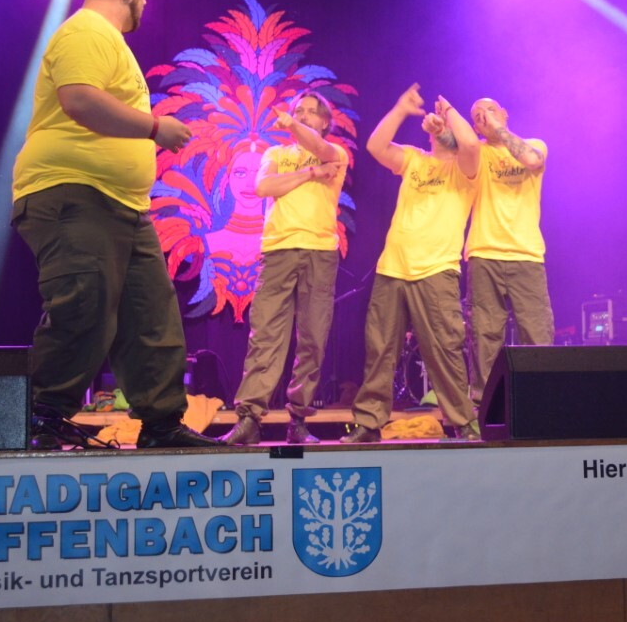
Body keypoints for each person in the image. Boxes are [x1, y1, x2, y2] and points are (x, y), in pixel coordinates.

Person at [11, 0, 219, 449]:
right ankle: (40, 418)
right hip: (76, 191)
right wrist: (154, 127)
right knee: (85, 304)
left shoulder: (108, 42)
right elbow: (79, 99)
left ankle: (162, 424)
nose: (146, 0)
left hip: (121, 205)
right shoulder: (86, 31)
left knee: (151, 316)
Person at [343, 84, 481, 443]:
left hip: (436, 270)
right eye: (439, 125)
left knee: (445, 351)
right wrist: (401, 109)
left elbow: (469, 143)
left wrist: (448, 112)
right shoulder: (414, 158)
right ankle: (369, 424)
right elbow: (375, 146)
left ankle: (463, 423)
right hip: (392, 268)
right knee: (379, 351)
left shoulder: (465, 169)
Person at [221, 92, 347, 445]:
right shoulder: (275, 154)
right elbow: (263, 186)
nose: (304, 116)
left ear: (325, 121)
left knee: (313, 339)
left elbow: (321, 151)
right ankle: (249, 419)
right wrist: (311, 173)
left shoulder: (336, 153)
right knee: (265, 337)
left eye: (311, 112)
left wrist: (295, 128)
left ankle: (298, 421)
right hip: (277, 251)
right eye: (297, 111)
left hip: (319, 252)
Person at [464, 99, 553, 404]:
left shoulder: (534, 144)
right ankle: (485, 407)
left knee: (537, 334)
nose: (484, 117)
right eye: (478, 116)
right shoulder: (477, 151)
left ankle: (542, 403)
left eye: (489, 111)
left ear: (504, 114)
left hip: (525, 254)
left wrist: (497, 128)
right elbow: (452, 143)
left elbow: (531, 160)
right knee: (484, 335)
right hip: (484, 253)